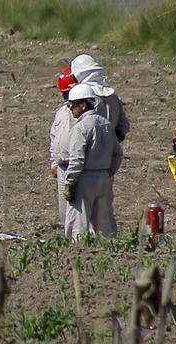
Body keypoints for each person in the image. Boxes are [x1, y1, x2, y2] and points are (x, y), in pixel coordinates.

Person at [70, 54, 129, 234]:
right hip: (105, 164)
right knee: (104, 215)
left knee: (81, 217)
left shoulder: (84, 97)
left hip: (85, 168)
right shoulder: (112, 96)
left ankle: (80, 251)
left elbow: (78, 139)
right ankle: (109, 248)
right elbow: (123, 127)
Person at [63, 83, 123, 241]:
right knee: (104, 225)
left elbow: (77, 158)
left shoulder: (81, 127)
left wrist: (70, 181)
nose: (71, 109)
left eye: (73, 105)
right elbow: (118, 154)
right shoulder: (106, 124)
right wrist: (108, 172)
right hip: (103, 177)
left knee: (78, 224)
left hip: (85, 178)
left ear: (82, 105)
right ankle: (110, 252)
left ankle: (78, 253)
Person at [49, 68, 77, 225]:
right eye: (64, 94)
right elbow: (54, 137)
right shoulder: (61, 112)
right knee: (65, 213)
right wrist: (54, 162)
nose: (67, 97)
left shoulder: (85, 112)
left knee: (79, 212)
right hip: (62, 168)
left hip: (78, 167)